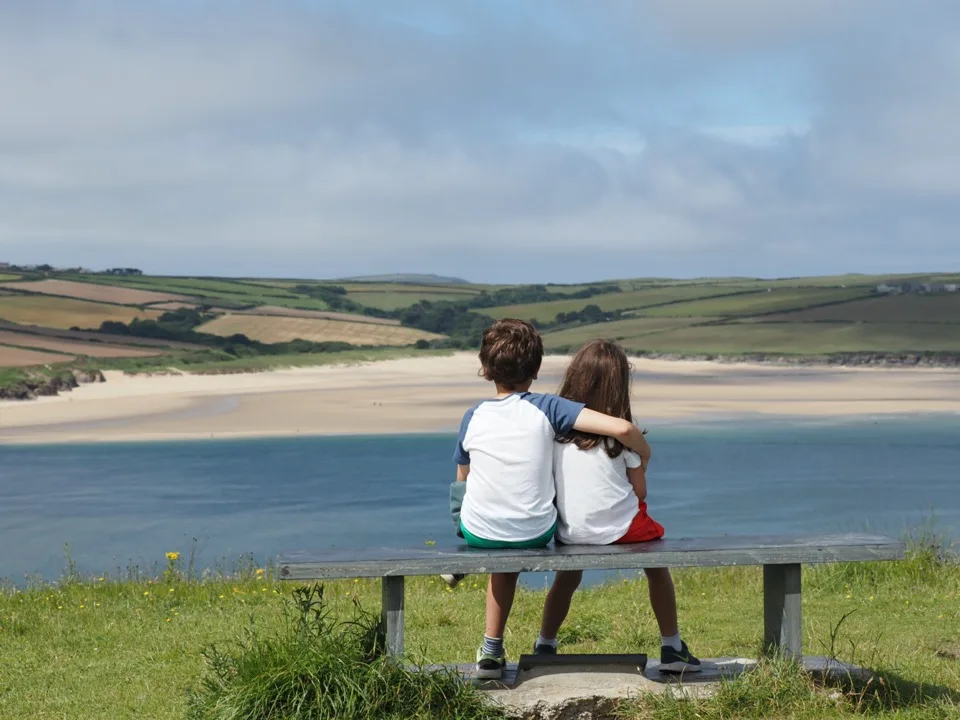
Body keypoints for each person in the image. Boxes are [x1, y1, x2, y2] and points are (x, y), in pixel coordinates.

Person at [451, 319, 653, 679]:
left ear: (485, 369)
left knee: (492, 537)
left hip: (478, 531)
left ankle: (491, 650)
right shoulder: (548, 407)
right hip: (537, 531)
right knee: (513, 532)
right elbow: (623, 429)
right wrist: (645, 454)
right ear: (537, 368)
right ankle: (530, 641)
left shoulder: (473, 415)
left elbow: (462, 476)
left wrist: (462, 523)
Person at [537, 339, 701, 673]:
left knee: (566, 579)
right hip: (623, 531)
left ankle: (545, 644)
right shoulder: (623, 440)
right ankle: (672, 647)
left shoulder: (555, 438)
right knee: (657, 566)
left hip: (571, 533)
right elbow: (640, 493)